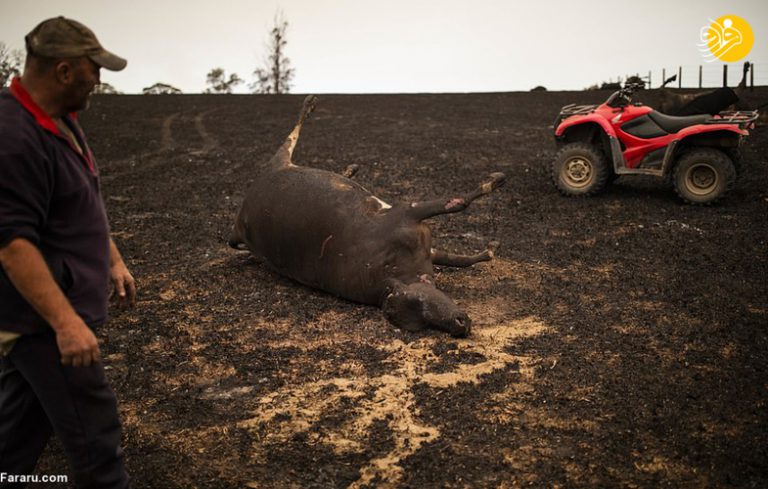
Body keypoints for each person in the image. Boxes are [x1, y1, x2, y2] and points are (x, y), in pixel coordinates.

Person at [0, 16, 135, 488]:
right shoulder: (15, 138)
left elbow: (84, 202)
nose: (98, 80)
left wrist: (111, 258)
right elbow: (14, 246)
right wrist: (66, 324)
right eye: (92, 69)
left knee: (15, 438)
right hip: (43, 324)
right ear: (62, 70)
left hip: (41, 323)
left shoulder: (62, 123)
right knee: (98, 450)